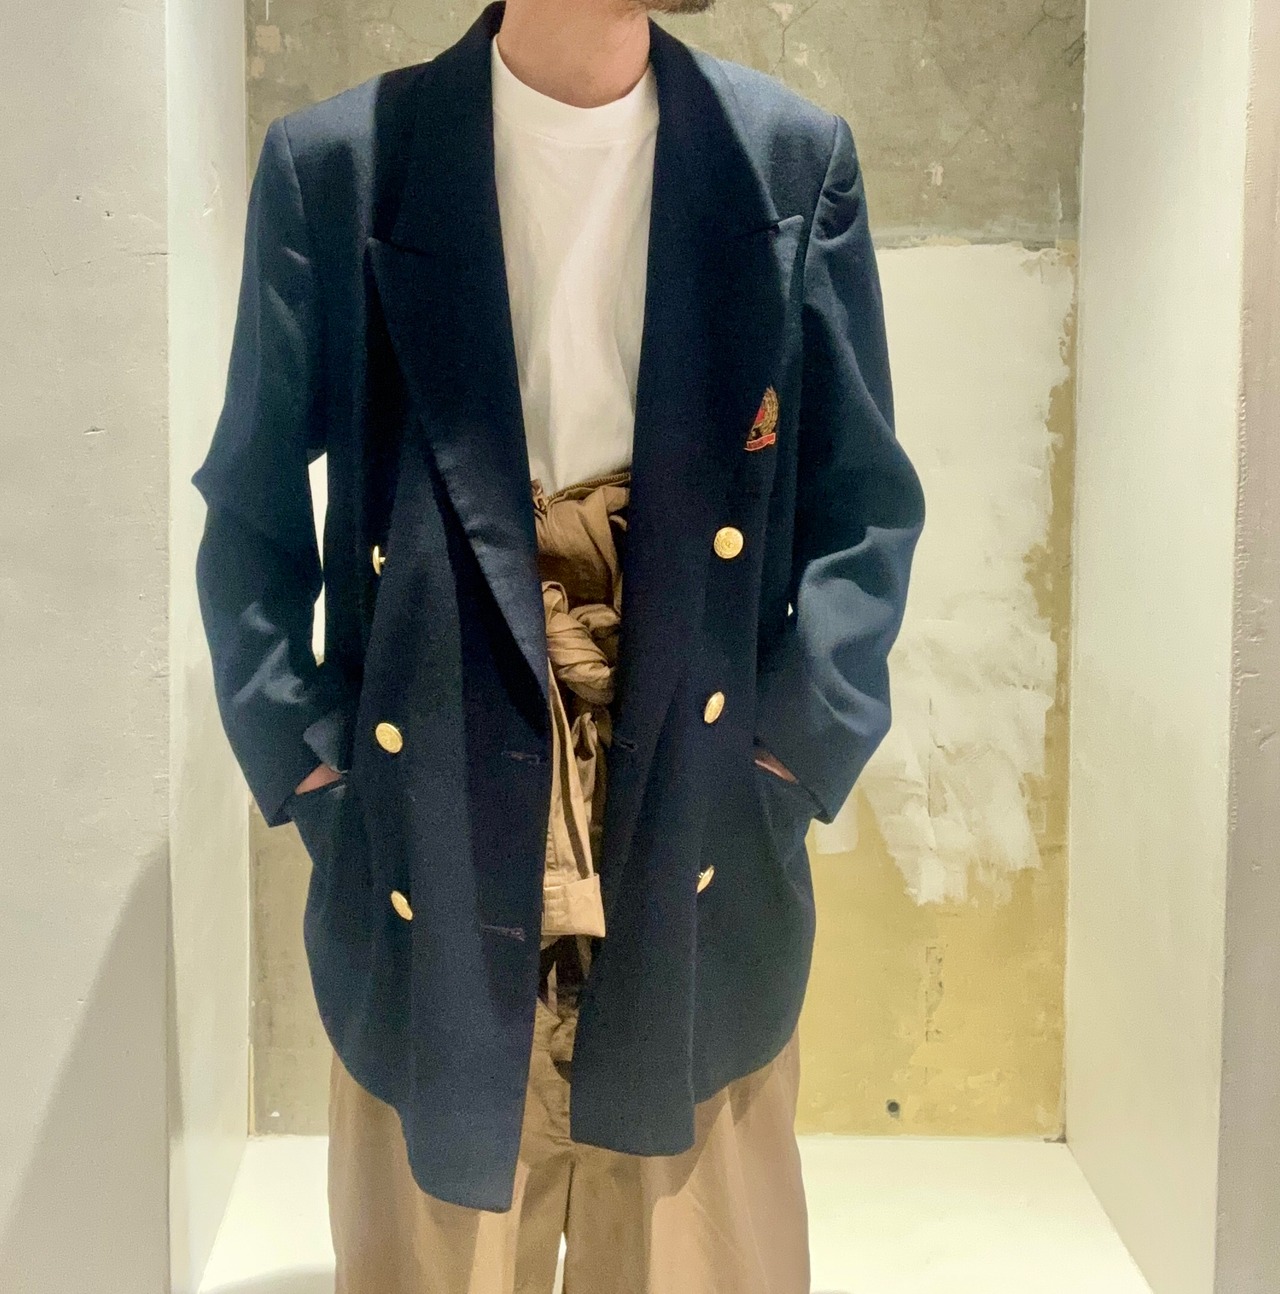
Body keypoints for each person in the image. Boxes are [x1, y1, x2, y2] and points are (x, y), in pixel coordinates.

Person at [190, 0, 925, 1288]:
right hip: (430, 837)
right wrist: (317, 773)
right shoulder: (341, 165)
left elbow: (862, 511)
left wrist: (785, 764)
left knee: (700, 1256)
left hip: (694, 839)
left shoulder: (788, 160)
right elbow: (248, 515)